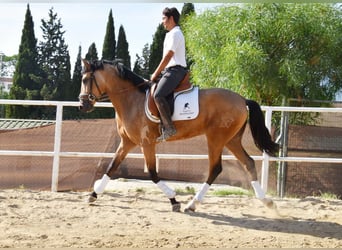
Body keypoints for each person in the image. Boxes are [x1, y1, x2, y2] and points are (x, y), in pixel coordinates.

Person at [151, 7, 188, 142]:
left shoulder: (176, 33)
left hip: (176, 71)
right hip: (169, 71)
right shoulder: (170, 34)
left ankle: (169, 127)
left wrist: (155, 73)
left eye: (164, 18)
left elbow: (168, 56)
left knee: (158, 95)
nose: (162, 22)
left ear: (171, 18)